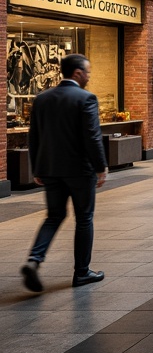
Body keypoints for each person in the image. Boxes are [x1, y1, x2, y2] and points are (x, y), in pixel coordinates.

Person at [21, 53, 108, 293]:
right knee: (84, 219)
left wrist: (37, 167)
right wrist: (100, 167)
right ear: (78, 73)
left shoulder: (42, 98)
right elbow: (92, 137)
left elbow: (33, 135)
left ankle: (34, 260)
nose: (89, 76)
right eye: (87, 72)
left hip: (50, 169)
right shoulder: (86, 98)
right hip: (79, 171)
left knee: (54, 216)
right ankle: (82, 273)